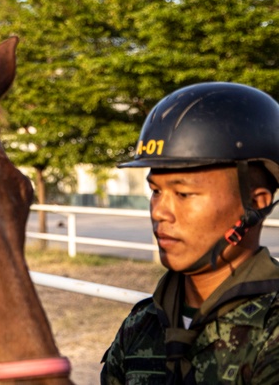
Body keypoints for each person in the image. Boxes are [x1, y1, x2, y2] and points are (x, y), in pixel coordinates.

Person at [101, 81, 279, 385]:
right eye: (155, 191)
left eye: (183, 194)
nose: (159, 212)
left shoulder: (271, 331)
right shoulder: (142, 324)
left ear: (255, 203)